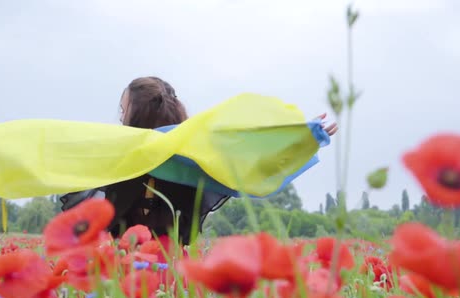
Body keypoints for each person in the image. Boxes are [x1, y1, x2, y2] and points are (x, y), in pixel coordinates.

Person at [60, 76, 338, 244]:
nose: (120, 117)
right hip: (152, 272)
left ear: (138, 114)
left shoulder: (190, 153)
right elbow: (252, 154)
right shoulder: (184, 152)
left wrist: (306, 137)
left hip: (151, 272)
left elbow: (251, 152)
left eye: (124, 110)